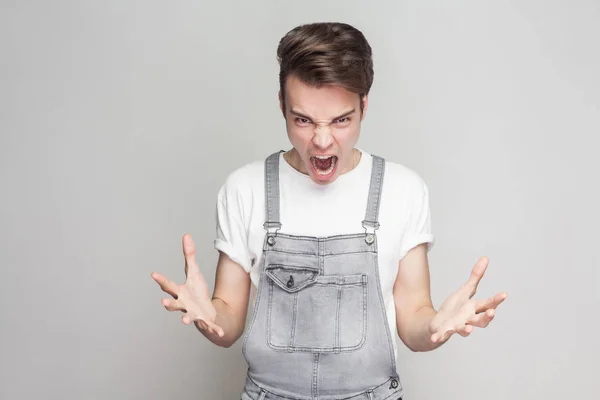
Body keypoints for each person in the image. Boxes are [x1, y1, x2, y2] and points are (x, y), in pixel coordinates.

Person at [151, 22, 507, 400]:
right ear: (281, 106)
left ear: (364, 106)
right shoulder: (245, 189)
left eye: (341, 120)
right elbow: (227, 321)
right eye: (303, 120)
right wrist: (207, 319)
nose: (322, 141)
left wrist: (437, 325)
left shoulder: (402, 190)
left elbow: (415, 320)